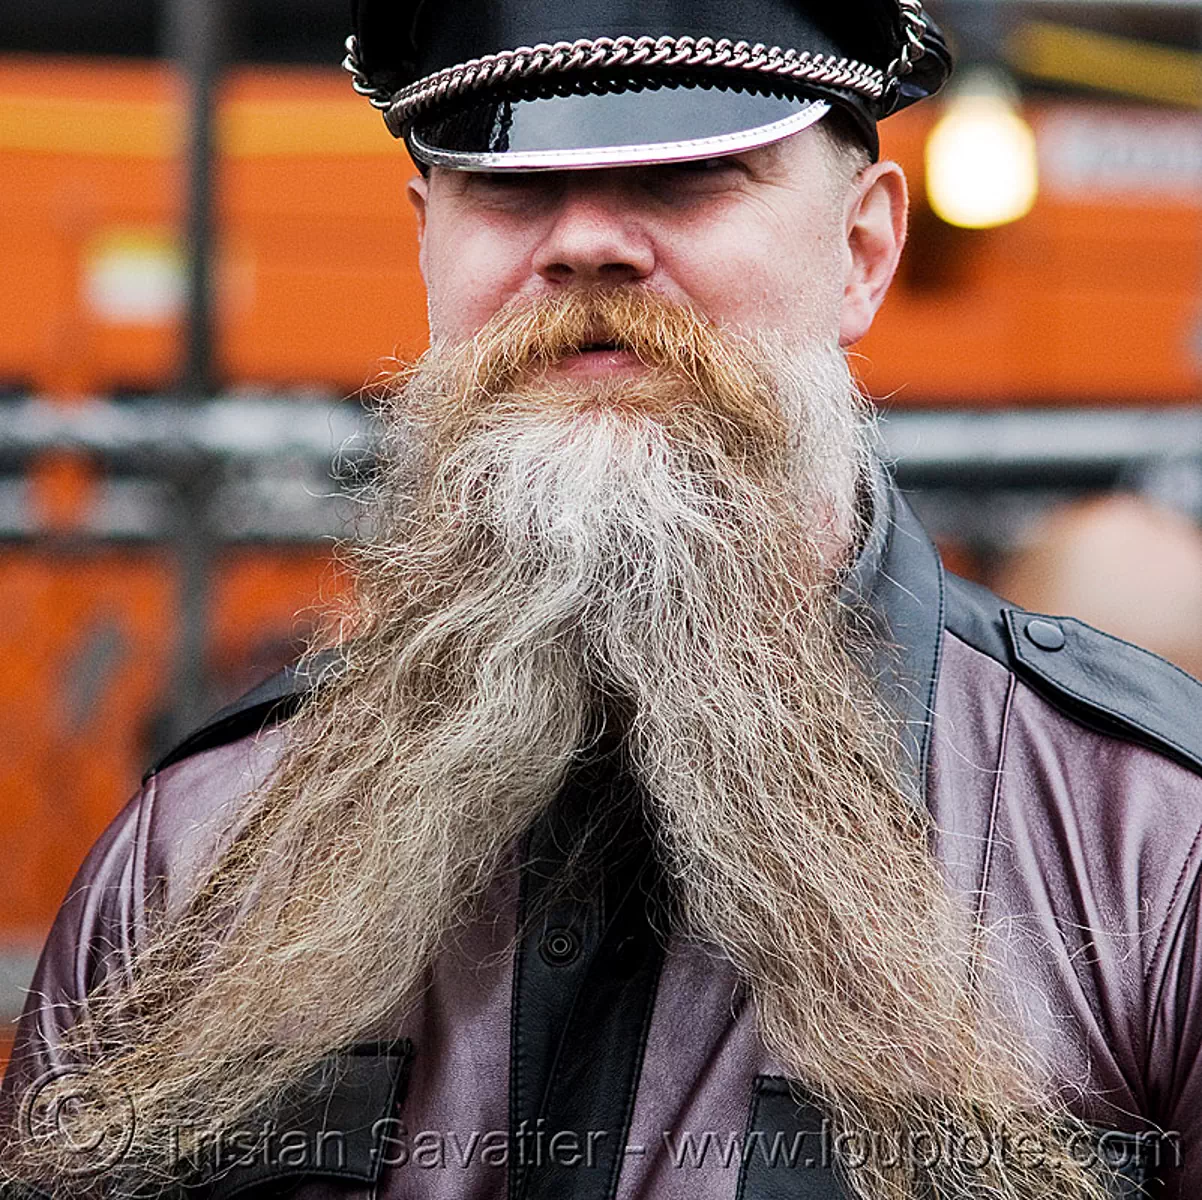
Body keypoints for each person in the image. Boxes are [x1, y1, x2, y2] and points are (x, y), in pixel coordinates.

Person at [3, 2, 1201, 1198]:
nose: (584, 241)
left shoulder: (1147, 852)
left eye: (683, 176)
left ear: (862, 250)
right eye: (508, 185)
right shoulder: (189, 860)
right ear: (429, 245)